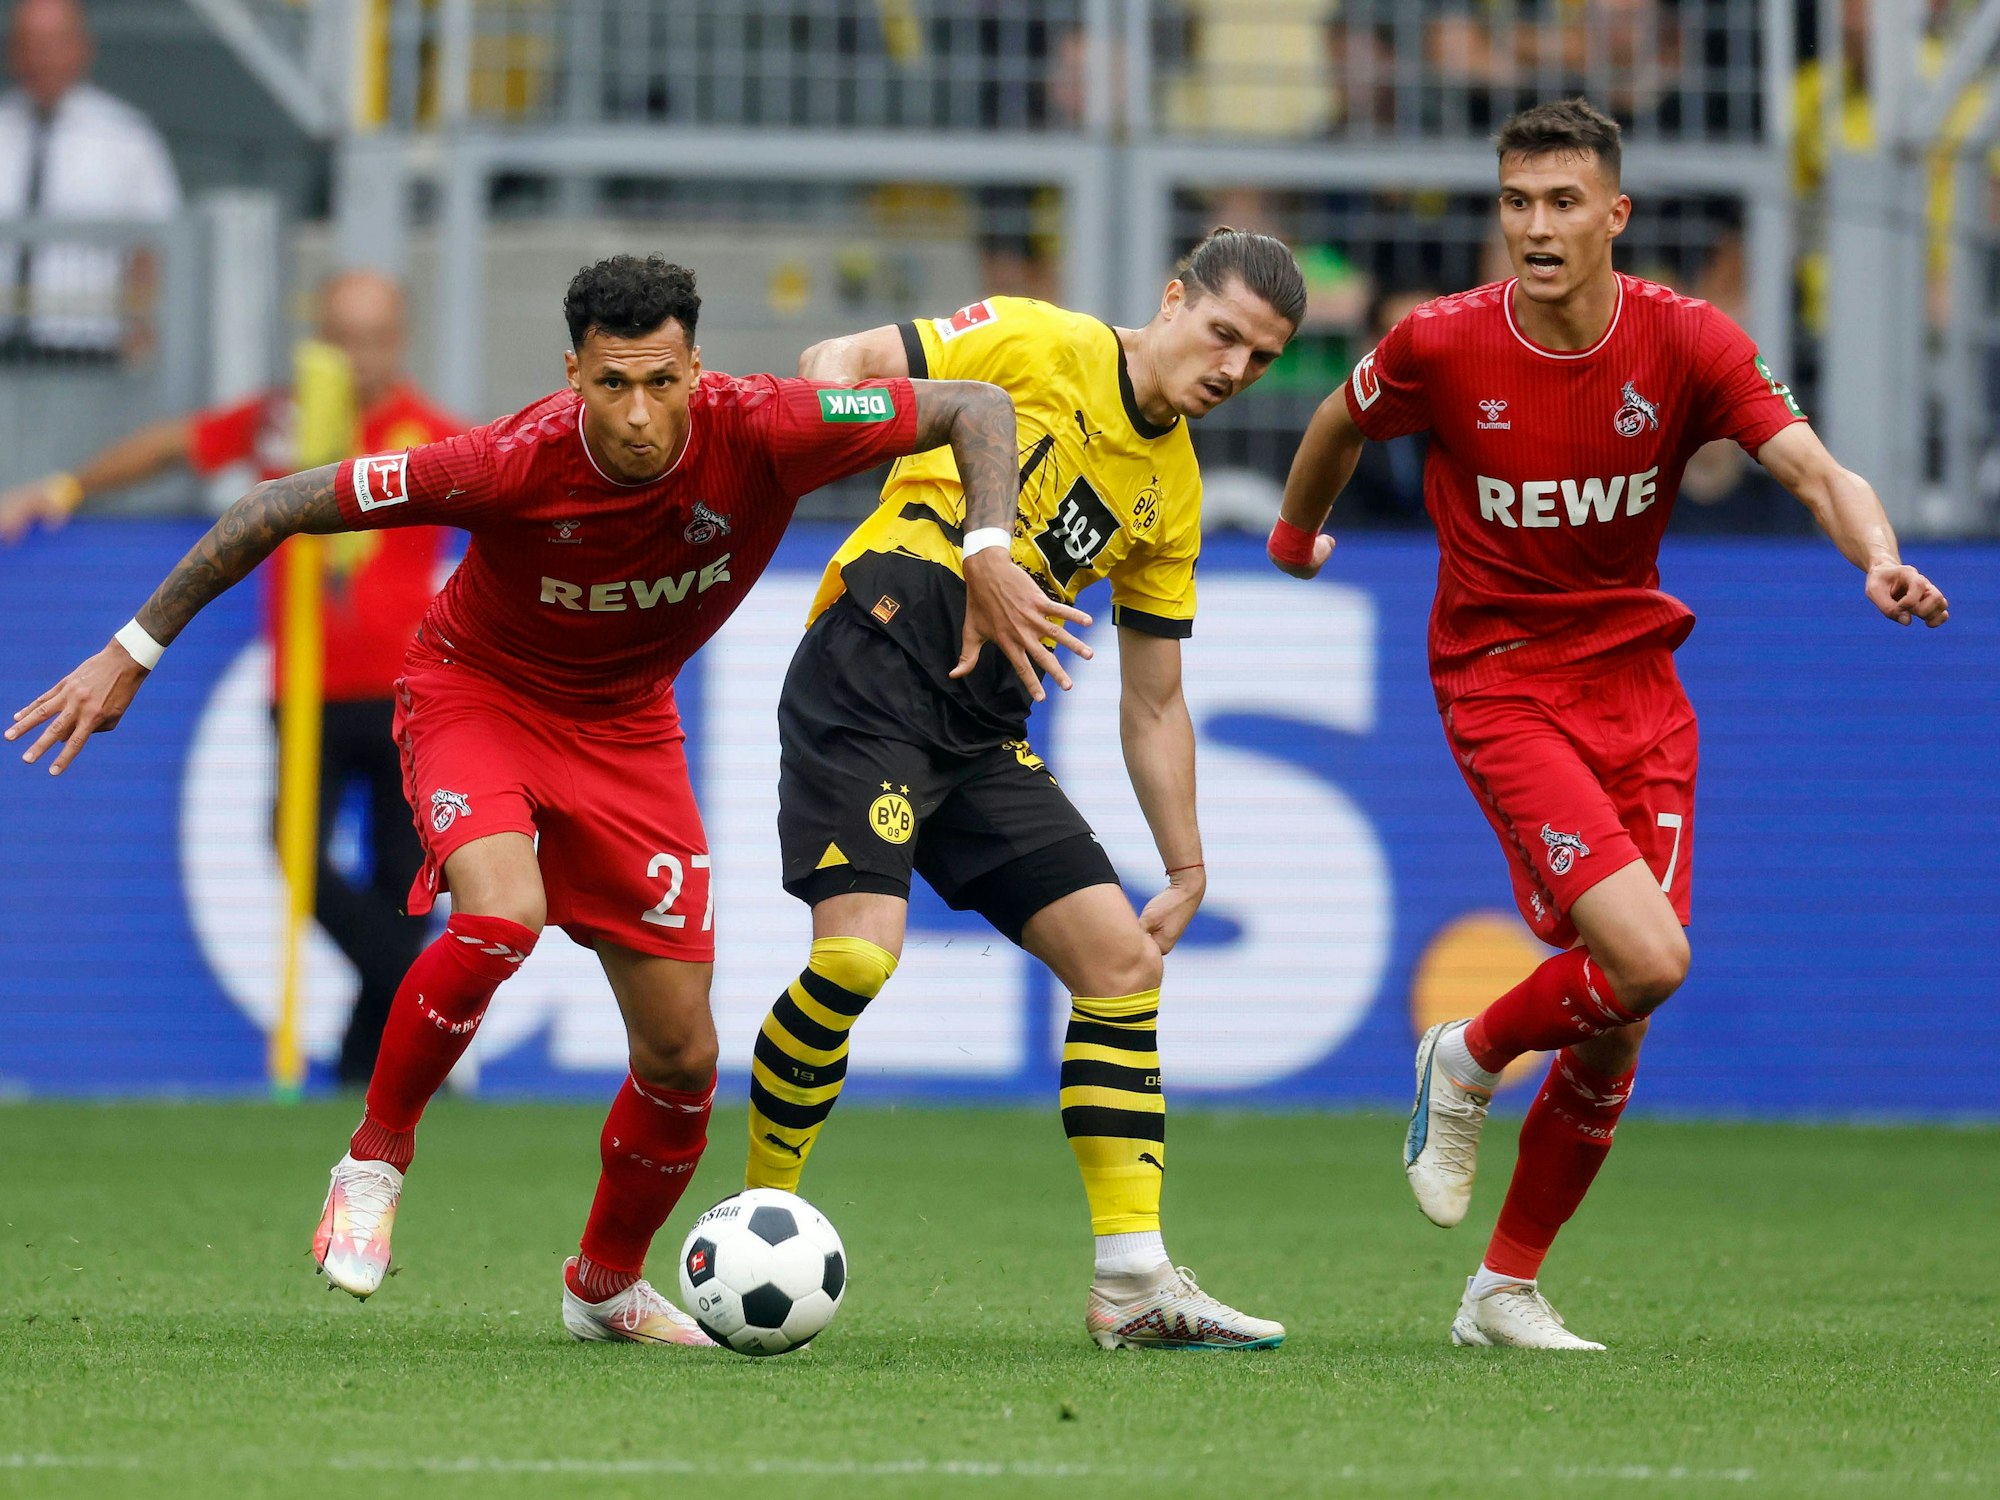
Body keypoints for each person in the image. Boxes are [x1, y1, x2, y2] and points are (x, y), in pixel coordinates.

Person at [8, 253, 1078, 1346]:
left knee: (683, 1061)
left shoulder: (765, 427)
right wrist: (131, 650)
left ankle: (603, 1286)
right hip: (478, 698)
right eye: (611, 383)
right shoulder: (507, 460)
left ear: (696, 368)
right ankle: (374, 1160)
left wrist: (988, 549)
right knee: (499, 912)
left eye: (662, 382)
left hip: (627, 731)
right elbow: (282, 499)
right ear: (571, 372)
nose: (638, 414)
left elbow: (974, 403)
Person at [1268, 98, 1949, 1350]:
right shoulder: (1443, 343)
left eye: (1562, 202)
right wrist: (1294, 534)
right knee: (1646, 961)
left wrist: (1877, 555)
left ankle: (1501, 1292)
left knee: (1624, 1007)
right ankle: (1465, 1055)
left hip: (1638, 692)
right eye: (1516, 202)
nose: (1535, 226)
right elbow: (1336, 420)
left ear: (1612, 218)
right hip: (1502, 681)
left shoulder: (1684, 342)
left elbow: (1810, 465)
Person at [742, 229, 1304, 1351]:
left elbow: (1152, 701)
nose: (1232, 371)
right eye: (1221, 334)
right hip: (873, 655)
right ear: (1171, 298)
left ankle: (1132, 1284)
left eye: (1260, 359)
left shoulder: (1173, 491)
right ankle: (757, 1214)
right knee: (857, 955)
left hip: (981, 726)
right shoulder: (1035, 341)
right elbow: (833, 363)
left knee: (1120, 963)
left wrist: (1187, 861)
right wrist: (957, 521)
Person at [0, 270, 461, 1086]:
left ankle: (363, 1074)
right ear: (319, 336)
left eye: (374, 338)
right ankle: (425, 993)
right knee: (297, 853)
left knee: (404, 880)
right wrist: (66, 487)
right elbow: (175, 444)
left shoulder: (429, 433)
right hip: (307, 692)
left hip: (409, 697)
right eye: (343, 336)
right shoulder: (282, 423)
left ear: (401, 341)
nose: (358, 357)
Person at [0, 0, 180, 357]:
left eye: (54, 44)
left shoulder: (126, 138)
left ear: (82, 48)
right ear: (12, 53)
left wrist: (141, 331)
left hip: (90, 354)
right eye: (30, 45)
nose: (42, 59)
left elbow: (155, 245)